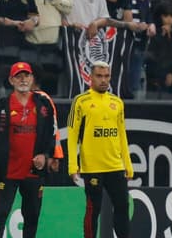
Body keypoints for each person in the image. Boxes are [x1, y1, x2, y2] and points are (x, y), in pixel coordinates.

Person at [0, 62, 58, 238]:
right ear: (11, 80)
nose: (23, 79)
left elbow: (51, 133)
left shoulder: (43, 104)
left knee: (32, 216)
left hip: (33, 171)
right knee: (1, 213)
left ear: (32, 79)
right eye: (18, 76)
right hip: (7, 170)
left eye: (26, 75)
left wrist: (46, 155)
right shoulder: (1, 105)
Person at [68, 61, 132, 238]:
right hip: (92, 167)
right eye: (99, 76)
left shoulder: (117, 102)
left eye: (106, 76)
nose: (103, 80)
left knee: (122, 207)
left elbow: (122, 135)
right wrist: (73, 166)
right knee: (92, 210)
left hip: (115, 166)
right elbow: (72, 136)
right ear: (91, 77)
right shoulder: (80, 101)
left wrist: (128, 164)